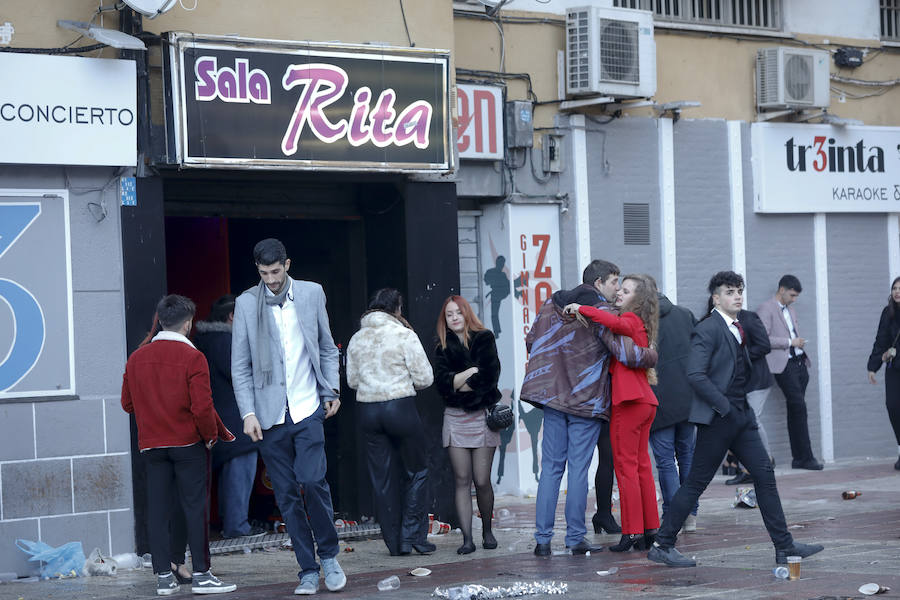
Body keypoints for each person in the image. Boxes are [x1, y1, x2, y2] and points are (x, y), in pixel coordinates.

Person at [647, 271, 824, 568]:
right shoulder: (708, 329)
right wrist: (724, 406)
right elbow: (695, 374)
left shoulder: (736, 326)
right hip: (721, 418)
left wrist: (737, 409)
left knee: (765, 476)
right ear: (716, 298)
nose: (738, 296)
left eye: (739, 291)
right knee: (695, 483)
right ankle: (663, 544)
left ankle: (784, 546)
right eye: (730, 292)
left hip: (742, 416)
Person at [231, 238, 346, 595]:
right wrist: (248, 413)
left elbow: (327, 347)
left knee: (312, 482)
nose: (271, 279)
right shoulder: (247, 304)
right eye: (264, 273)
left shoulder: (312, 294)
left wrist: (333, 390)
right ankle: (307, 570)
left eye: (276, 271)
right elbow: (241, 366)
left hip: (307, 406)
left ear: (288, 264)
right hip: (268, 416)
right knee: (286, 495)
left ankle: (328, 555)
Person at [521, 259, 657, 556]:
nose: (616, 291)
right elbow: (628, 355)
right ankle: (574, 539)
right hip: (585, 401)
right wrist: (652, 353)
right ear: (598, 283)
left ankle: (542, 541)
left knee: (551, 470)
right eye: (613, 283)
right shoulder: (601, 313)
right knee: (578, 469)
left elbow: (531, 341)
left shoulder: (549, 305)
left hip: (552, 397)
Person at [121, 295, 236, 596]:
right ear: (187, 324)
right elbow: (202, 406)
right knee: (194, 509)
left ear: (160, 320)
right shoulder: (193, 358)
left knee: (157, 511)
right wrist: (210, 436)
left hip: (152, 446)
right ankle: (202, 575)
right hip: (188, 444)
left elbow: (127, 403)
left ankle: (163, 578)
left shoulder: (136, 358)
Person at [566, 274, 660, 552]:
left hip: (629, 402)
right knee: (642, 467)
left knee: (626, 469)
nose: (619, 293)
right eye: (619, 288)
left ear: (638, 299)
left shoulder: (630, 320)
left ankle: (631, 532)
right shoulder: (642, 323)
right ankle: (649, 529)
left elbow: (614, 322)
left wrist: (581, 308)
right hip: (645, 401)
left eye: (626, 291)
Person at [345, 288, 435, 556]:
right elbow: (425, 378)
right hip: (400, 408)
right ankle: (413, 536)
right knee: (417, 470)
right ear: (397, 308)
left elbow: (351, 381)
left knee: (382, 480)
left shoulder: (357, 338)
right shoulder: (404, 334)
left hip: (368, 411)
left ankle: (395, 544)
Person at [433, 295, 502, 555]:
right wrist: (470, 373)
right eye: (449, 314)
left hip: (482, 417)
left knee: (482, 480)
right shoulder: (441, 345)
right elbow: (442, 385)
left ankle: (487, 530)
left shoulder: (484, 338)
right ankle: (467, 539)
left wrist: (458, 382)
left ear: (466, 314)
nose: (453, 318)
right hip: (455, 417)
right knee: (461, 479)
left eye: (458, 313)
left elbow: (490, 377)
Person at [194, 294, 266, 539]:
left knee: (230, 475)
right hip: (236, 420)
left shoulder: (204, 340)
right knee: (239, 474)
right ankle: (237, 527)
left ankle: (231, 524)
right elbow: (244, 375)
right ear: (232, 316)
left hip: (218, 419)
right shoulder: (226, 341)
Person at [757, 275, 823, 470]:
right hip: (783, 365)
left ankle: (799, 458)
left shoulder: (791, 310)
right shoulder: (766, 308)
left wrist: (797, 346)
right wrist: (789, 342)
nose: (794, 300)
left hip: (799, 362)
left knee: (797, 410)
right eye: (792, 295)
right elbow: (763, 339)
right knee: (798, 407)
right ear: (782, 289)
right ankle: (806, 457)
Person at [647, 289, 698, 531]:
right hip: (688, 398)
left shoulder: (643, 322)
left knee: (666, 461)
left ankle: (672, 514)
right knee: (687, 455)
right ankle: (691, 515)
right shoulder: (685, 315)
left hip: (659, 400)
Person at [726, 307, 775, 485]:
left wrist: (740, 357)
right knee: (743, 421)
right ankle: (750, 465)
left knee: (753, 420)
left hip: (757, 380)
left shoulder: (749, 318)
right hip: (739, 383)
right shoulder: (719, 321)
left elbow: (764, 346)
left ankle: (764, 463)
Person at [866, 276, 900, 470]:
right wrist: (872, 367)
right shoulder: (888, 313)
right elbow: (880, 341)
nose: (897, 291)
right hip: (894, 367)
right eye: (894, 288)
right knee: (893, 406)